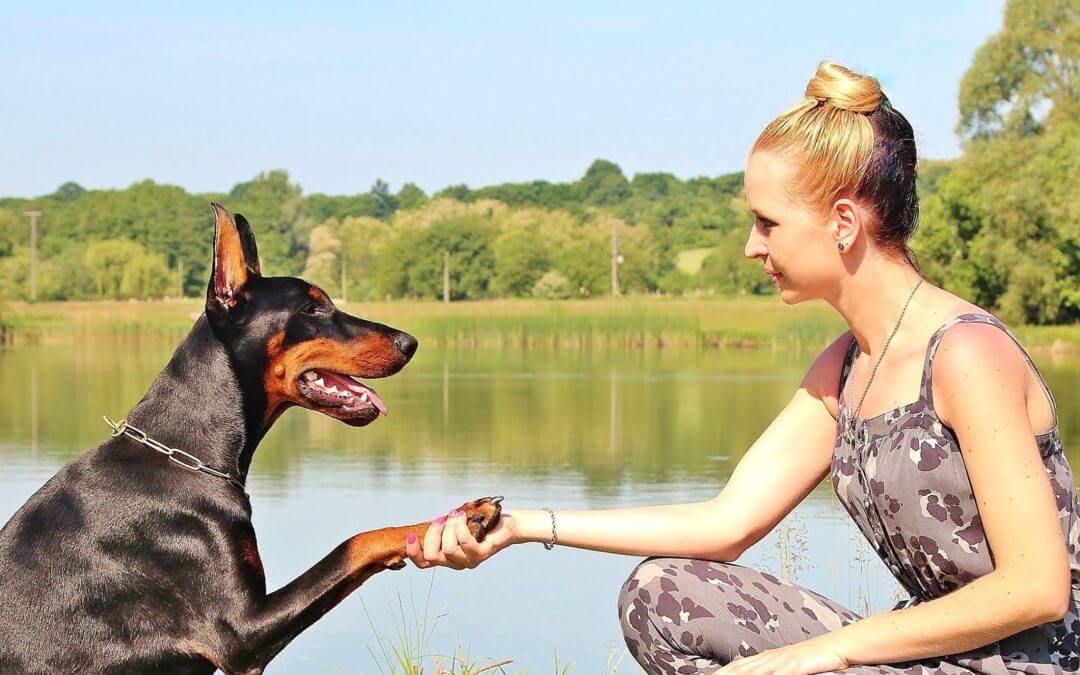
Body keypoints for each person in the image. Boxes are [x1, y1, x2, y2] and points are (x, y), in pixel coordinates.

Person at [404, 61, 1079, 674]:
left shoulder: (964, 352)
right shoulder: (845, 369)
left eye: (768, 222)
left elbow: (1037, 586)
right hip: (928, 659)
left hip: (1039, 665)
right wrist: (525, 525)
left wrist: (834, 646)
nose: (752, 246)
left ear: (843, 222)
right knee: (660, 596)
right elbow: (725, 523)